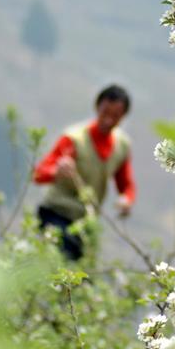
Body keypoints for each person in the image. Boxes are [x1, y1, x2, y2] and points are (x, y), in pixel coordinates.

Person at [34, 84, 136, 260]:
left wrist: (126, 200)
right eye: (105, 113)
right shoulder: (74, 139)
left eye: (115, 116)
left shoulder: (121, 146)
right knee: (61, 263)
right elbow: (39, 174)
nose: (108, 120)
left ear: (123, 117)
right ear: (97, 108)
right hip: (57, 213)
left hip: (85, 221)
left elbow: (126, 184)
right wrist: (57, 170)